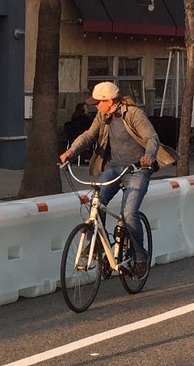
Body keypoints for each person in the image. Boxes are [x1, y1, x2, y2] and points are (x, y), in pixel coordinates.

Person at [60, 81, 159, 278]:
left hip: (137, 169)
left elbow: (152, 138)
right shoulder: (102, 116)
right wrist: (71, 151)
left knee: (129, 214)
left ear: (109, 101)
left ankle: (140, 258)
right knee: (96, 201)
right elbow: (88, 136)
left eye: (98, 102)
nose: (95, 106)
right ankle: (97, 243)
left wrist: (148, 156)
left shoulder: (133, 113)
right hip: (114, 168)